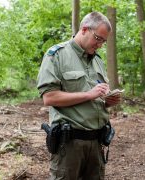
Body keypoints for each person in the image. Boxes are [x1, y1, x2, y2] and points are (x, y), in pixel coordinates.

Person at [37, 12, 121, 180]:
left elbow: (95, 98)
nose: (100, 45)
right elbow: (49, 97)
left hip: (97, 143)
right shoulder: (57, 55)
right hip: (69, 145)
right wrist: (89, 94)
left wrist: (107, 101)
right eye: (98, 38)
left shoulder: (97, 60)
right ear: (84, 29)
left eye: (103, 41)